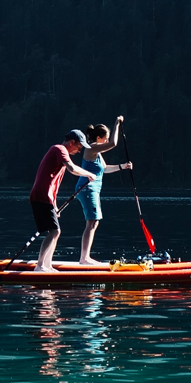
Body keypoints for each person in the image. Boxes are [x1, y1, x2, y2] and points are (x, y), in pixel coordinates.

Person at [29, 130, 98, 272]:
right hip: (41, 196)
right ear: (72, 142)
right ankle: (40, 266)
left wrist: (54, 204)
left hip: (45, 197)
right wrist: (89, 174)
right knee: (54, 231)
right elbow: (72, 168)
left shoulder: (59, 153)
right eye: (79, 147)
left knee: (55, 231)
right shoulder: (59, 149)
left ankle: (47, 265)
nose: (79, 151)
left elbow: (53, 184)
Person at [76, 115, 133, 266]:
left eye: (107, 138)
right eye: (105, 138)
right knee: (92, 222)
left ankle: (85, 257)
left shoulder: (97, 154)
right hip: (87, 188)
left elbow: (105, 169)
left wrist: (122, 166)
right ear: (99, 138)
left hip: (92, 189)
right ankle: (84, 258)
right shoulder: (91, 148)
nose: (107, 141)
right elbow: (114, 143)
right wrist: (117, 124)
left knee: (94, 222)